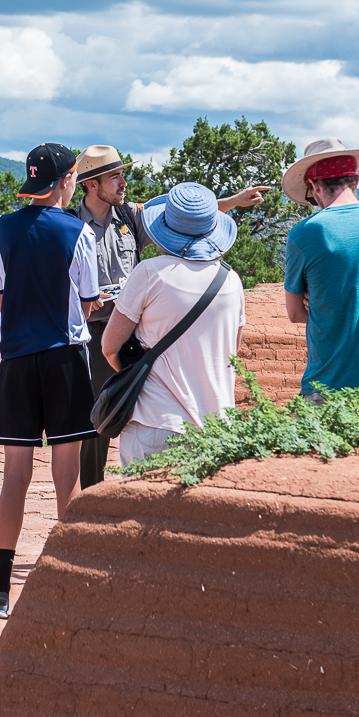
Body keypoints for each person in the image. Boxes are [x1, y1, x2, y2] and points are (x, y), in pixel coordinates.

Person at [72, 145, 270, 487]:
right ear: (91, 184)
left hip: (133, 339)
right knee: (95, 424)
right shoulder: (71, 226)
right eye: (115, 177)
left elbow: (181, 218)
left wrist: (233, 201)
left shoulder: (130, 216)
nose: (123, 183)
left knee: (136, 412)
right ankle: (91, 494)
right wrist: (84, 300)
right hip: (93, 334)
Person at [0, 142, 99, 619]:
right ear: (67, 180)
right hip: (65, 359)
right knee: (66, 475)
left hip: (18, 361)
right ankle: (68, 580)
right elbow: (87, 304)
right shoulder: (78, 232)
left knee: (14, 477)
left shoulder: (0, 227)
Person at [100, 183, 246, 464]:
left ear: (164, 229)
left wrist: (136, 372)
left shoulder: (149, 273)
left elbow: (109, 347)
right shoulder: (231, 281)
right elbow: (232, 353)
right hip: (217, 425)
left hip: (155, 420)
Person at [282, 137, 359, 396]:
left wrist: (319, 303)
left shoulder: (305, 235)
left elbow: (295, 313)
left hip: (329, 384)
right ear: (356, 181)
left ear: (314, 187)